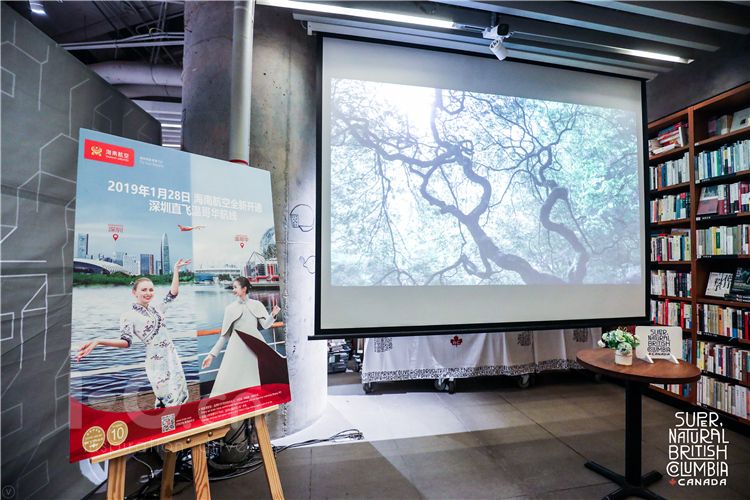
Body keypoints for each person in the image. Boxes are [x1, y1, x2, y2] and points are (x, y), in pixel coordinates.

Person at [76, 258, 192, 408]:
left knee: (180, 393)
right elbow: (126, 342)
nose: (148, 293)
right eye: (144, 290)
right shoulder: (128, 316)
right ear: (134, 292)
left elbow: (173, 294)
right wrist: (98, 341)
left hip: (171, 355)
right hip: (156, 360)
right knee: (167, 397)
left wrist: (176, 270)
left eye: (151, 290)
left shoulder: (157, 309)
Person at [201, 277, 281, 397]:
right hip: (236, 350)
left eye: (235, 287)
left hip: (255, 347)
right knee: (234, 383)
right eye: (233, 287)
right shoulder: (229, 309)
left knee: (255, 381)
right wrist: (211, 355)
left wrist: (273, 315)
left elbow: (265, 325)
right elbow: (224, 336)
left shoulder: (257, 305)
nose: (233, 290)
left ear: (244, 289)